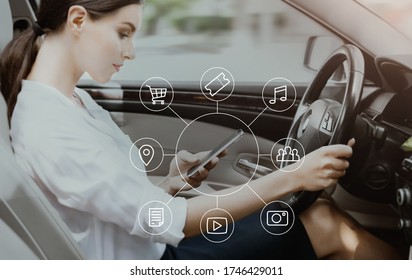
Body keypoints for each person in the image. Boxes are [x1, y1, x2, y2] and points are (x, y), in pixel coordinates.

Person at [0, 0, 400, 260]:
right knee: (325, 224)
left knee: (321, 209)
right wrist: (292, 176)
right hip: (158, 263)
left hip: (151, 247)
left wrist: (171, 182)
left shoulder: (73, 102)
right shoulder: (47, 126)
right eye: (123, 33)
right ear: (77, 21)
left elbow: (106, 207)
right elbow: (172, 221)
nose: (130, 51)